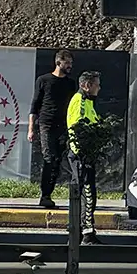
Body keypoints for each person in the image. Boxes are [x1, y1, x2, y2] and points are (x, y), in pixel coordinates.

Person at [28, 50, 76, 210]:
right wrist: (31, 129)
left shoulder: (70, 83)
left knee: (57, 160)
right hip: (46, 124)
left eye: (70, 63)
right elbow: (35, 105)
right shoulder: (43, 80)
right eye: (67, 62)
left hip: (64, 125)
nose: (69, 66)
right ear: (58, 62)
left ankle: (50, 193)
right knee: (49, 158)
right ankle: (45, 195)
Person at [66, 71, 103, 245]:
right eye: (96, 84)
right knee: (87, 194)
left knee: (86, 193)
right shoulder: (79, 101)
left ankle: (83, 232)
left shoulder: (88, 102)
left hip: (87, 154)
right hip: (82, 155)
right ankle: (86, 233)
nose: (99, 88)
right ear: (86, 85)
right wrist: (84, 151)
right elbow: (77, 127)